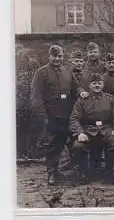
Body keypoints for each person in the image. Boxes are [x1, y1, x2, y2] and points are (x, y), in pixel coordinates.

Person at [30, 44, 88, 185]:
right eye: (54, 56)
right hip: (52, 117)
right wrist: (43, 117)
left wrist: (81, 91)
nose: (57, 59)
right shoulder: (41, 72)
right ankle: (52, 174)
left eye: (60, 56)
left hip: (68, 115)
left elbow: (76, 86)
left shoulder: (67, 71)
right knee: (53, 145)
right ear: (49, 57)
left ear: (63, 56)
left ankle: (76, 172)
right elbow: (36, 97)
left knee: (73, 144)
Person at [69, 72, 114, 186]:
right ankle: (83, 174)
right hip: (88, 131)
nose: (97, 86)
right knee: (78, 146)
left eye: (99, 83)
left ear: (103, 85)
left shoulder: (111, 99)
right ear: (89, 85)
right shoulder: (82, 101)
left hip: (106, 129)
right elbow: (74, 119)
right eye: (94, 83)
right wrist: (80, 133)